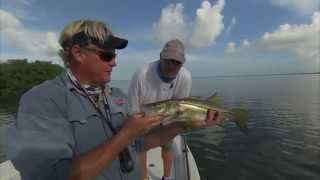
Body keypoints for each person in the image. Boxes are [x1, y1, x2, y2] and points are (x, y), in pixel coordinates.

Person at [7, 19, 224, 180]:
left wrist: (182, 125)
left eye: (115, 56)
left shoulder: (117, 97)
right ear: (78, 53)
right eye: (107, 56)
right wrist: (125, 135)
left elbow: (140, 143)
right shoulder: (43, 101)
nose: (114, 63)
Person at [128, 39, 191, 180]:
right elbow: (132, 110)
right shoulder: (141, 75)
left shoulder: (185, 77)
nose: (172, 65)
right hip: (143, 116)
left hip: (168, 116)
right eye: (169, 60)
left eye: (177, 62)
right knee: (140, 146)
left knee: (167, 145)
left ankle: (167, 177)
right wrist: (140, 126)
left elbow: (180, 107)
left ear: (183, 63)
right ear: (161, 56)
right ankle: (144, 177)